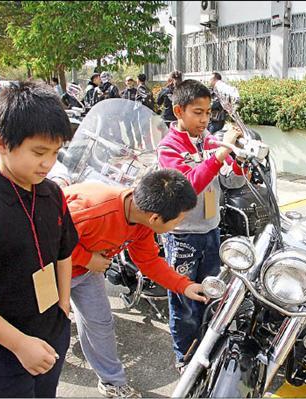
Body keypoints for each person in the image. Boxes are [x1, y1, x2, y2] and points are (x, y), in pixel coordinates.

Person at [0, 81, 78, 397]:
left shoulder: (53, 193)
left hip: (49, 333)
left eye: (55, 152)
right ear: (1, 142)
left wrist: (63, 307)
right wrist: (19, 343)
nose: (48, 163)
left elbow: (64, 252)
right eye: (38, 152)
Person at [63, 169, 205, 398]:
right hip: (46, 269)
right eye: (179, 220)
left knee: (100, 324)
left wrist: (184, 286)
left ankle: (112, 382)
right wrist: (88, 259)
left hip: (87, 272)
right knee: (43, 333)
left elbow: (148, 261)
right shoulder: (94, 210)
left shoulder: (141, 222)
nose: (179, 225)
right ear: (156, 218)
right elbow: (45, 239)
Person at [157, 79, 247, 372]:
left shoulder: (208, 139)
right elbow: (189, 186)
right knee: (184, 302)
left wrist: (241, 159)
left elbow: (231, 181)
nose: (205, 119)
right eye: (198, 112)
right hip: (182, 236)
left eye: (208, 112)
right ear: (178, 111)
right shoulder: (169, 148)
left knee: (210, 295)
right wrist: (221, 153)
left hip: (211, 231)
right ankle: (184, 356)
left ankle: (206, 348)